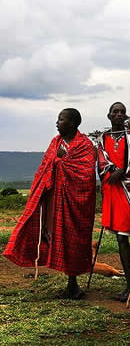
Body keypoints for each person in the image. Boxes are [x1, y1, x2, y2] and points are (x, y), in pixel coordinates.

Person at [4, 109, 96, 299]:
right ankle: (71, 284)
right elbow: (45, 167)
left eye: (61, 119)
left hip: (76, 204)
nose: (57, 123)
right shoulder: (55, 143)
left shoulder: (85, 145)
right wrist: (57, 160)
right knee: (53, 237)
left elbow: (86, 175)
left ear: (72, 124)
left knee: (75, 241)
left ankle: (73, 283)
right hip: (54, 201)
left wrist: (61, 161)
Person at [97, 102, 130, 301]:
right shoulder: (102, 138)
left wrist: (123, 172)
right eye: (115, 112)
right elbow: (101, 161)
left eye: (122, 112)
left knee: (122, 237)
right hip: (112, 189)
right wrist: (111, 170)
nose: (119, 114)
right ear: (108, 115)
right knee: (120, 237)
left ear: (126, 117)